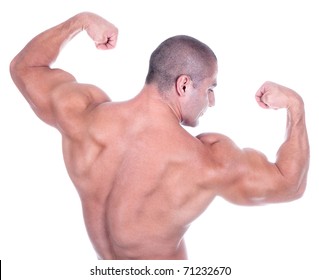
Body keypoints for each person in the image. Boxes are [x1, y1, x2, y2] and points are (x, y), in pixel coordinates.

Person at [10, 12, 309, 260]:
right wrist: (296, 106)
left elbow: (26, 67)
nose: (211, 101)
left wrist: (81, 21)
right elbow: (289, 183)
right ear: (183, 85)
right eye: (210, 89)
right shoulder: (207, 159)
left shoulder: (83, 115)